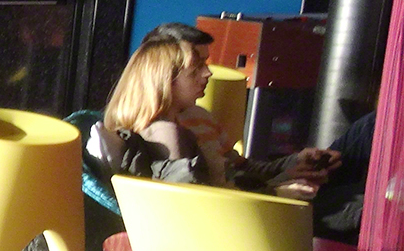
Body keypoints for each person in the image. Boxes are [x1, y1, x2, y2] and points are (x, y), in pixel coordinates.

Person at [102, 23, 336, 198]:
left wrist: (292, 166)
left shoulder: (199, 117)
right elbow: (202, 204)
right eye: (196, 67)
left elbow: (240, 169)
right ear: (164, 78)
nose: (208, 73)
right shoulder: (162, 135)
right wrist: (276, 192)